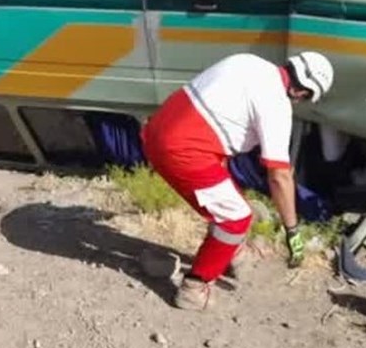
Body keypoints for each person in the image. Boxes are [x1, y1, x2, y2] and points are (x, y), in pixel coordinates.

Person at [141, 51, 335, 311]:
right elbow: (279, 176)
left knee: (230, 197)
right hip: (183, 149)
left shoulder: (248, 61)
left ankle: (235, 255)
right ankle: (194, 288)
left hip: (158, 128)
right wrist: (292, 230)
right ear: (303, 92)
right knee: (235, 218)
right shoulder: (276, 105)